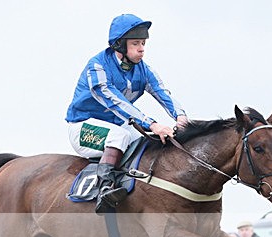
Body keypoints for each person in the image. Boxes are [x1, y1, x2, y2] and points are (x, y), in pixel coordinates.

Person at [65, 14, 188, 214]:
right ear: (120, 45)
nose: (142, 49)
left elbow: (161, 92)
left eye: (143, 43)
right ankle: (105, 189)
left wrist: (181, 117)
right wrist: (152, 123)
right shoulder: (97, 66)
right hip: (83, 127)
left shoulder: (143, 69)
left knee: (148, 141)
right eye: (135, 43)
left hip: (115, 125)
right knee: (120, 136)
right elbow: (116, 101)